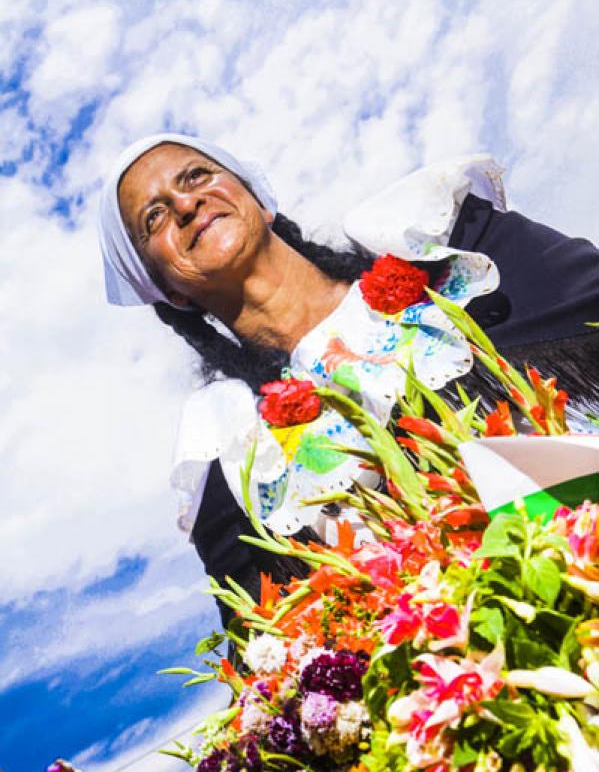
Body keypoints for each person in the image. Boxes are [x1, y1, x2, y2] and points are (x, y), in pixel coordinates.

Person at [98, 134, 599, 621]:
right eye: (154, 217)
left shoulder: (449, 250)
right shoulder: (236, 464)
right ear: (169, 292)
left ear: (259, 200)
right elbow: (269, 647)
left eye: (197, 175)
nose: (186, 204)